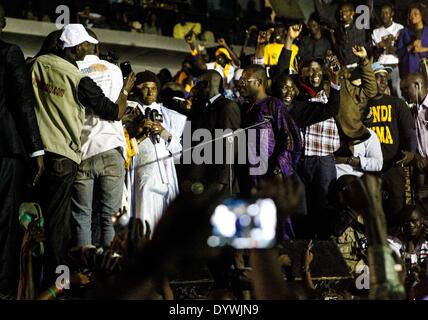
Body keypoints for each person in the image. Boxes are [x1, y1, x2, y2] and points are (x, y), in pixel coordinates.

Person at [30, 24, 135, 287]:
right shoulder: (95, 73)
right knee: (108, 214)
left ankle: (82, 273)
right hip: (98, 150)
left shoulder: (43, 65)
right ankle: (107, 274)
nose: (91, 47)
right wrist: (126, 87)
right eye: (88, 44)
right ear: (80, 46)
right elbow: (114, 111)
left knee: (80, 216)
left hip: (72, 151)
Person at [0, 3, 44, 298]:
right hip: (5, 149)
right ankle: (3, 289)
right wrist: (36, 151)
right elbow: (22, 104)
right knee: (4, 223)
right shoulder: (9, 52)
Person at [71, 29, 127, 250]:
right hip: (111, 148)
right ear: (96, 47)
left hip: (82, 150)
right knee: (110, 216)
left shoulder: (73, 70)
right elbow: (118, 107)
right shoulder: (113, 70)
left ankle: (84, 269)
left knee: (82, 215)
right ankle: (110, 269)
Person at [128, 71, 187, 234]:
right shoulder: (129, 111)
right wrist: (138, 131)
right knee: (143, 212)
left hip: (165, 175)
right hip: (142, 173)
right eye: (145, 88)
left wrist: (164, 133)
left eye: (153, 88)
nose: (150, 92)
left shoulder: (170, 116)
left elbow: (178, 153)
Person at [367, 64, 417, 224]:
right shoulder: (362, 105)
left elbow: (410, 131)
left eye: (385, 77)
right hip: (369, 169)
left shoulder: (397, 104)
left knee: (397, 211)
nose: (383, 81)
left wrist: (412, 152)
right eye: (378, 76)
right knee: (372, 214)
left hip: (394, 166)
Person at [371, 3, 404, 98]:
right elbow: (375, 52)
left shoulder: (400, 28)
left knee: (396, 88)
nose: (384, 15)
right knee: (380, 90)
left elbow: (401, 49)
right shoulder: (376, 32)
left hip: (395, 64)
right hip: (381, 65)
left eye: (386, 13)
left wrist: (387, 46)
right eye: (382, 13)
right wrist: (383, 46)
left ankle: (401, 109)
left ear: (392, 13)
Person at [334, 2, 369, 69]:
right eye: (341, 11)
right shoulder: (339, 29)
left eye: (346, 11)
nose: (343, 13)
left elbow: (368, 9)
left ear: (352, 13)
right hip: (344, 66)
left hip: (358, 65)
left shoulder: (359, 25)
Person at [397, 4, 428, 78]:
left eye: (415, 14)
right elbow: (399, 53)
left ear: (422, 15)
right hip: (409, 69)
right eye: (410, 14)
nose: (412, 16)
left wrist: (423, 49)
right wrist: (411, 46)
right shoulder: (403, 32)